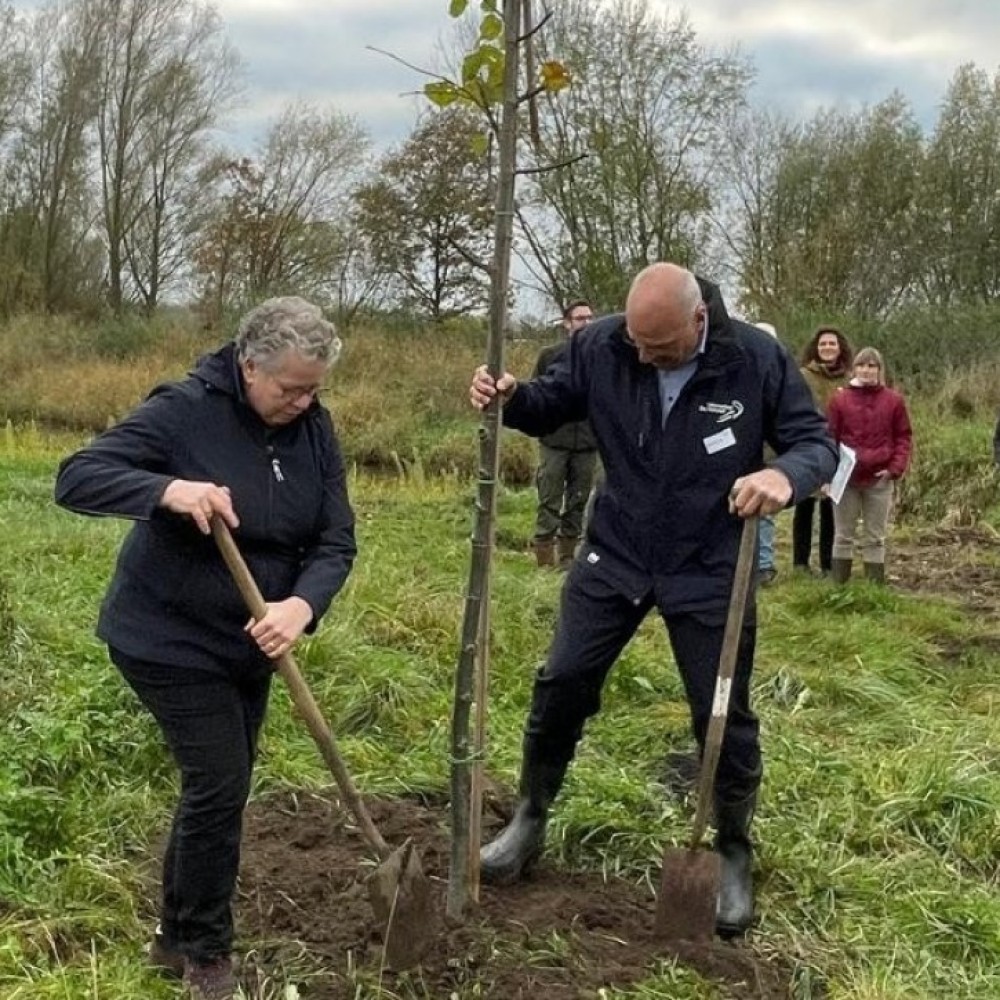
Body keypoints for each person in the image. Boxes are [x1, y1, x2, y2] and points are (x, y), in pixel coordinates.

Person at [469, 263, 836, 936]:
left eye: (659, 349)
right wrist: (513, 396)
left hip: (708, 562)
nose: (643, 356)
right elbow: (552, 404)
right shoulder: (603, 344)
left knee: (720, 710)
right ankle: (529, 816)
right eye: (636, 343)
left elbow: (818, 444)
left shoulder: (754, 359)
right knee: (564, 679)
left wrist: (784, 474)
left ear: (698, 322)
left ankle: (731, 851)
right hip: (617, 552)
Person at [54, 297, 356, 1000]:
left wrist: (300, 605)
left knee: (218, 788)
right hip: (167, 636)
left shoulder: (315, 429)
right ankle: (206, 953)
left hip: (255, 638)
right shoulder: (186, 409)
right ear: (249, 367)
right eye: (290, 389)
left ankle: (172, 934)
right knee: (221, 782)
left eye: (315, 389)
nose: (304, 402)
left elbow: (335, 539)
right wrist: (169, 489)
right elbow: (77, 476)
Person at [826, 347, 912, 584]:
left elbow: (903, 436)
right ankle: (839, 585)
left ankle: (875, 586)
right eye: (862, 365)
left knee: (875, 537)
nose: (866, 370)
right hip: (846, 478)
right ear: (854, 369)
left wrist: (895, 469)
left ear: (879, 370)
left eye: (871, 366)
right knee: (843, 535)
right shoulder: (839, 400)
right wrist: (827, 474)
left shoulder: (894, 401)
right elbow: (829, 437)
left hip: (879, 477)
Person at [530, 299, 600, 568]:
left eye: (590, 318)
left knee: (579, 499)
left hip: (586, 442)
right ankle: (544, 557)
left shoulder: (601, 357)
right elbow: (535, 394)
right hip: (554, 439)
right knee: (549, 497)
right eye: (580, 318)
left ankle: (568, 555)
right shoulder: (551, 355)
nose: (586, 323)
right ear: (567, 324)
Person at [793, 326, 854, 576]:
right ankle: (800, 563)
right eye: (823, 344)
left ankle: (828, 564)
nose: (827, 348)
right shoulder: (803, 376)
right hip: (810, 442)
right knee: (805, 505)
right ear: (815, 349)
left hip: (841, 446)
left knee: (831, 506)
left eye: (832, 344)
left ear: (840, 348)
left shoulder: (850, 379)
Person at [753, 322, 780, 586]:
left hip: (768, 456)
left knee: (766, 513)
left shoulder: (780, 376)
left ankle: (763, 564)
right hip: (738, 454)